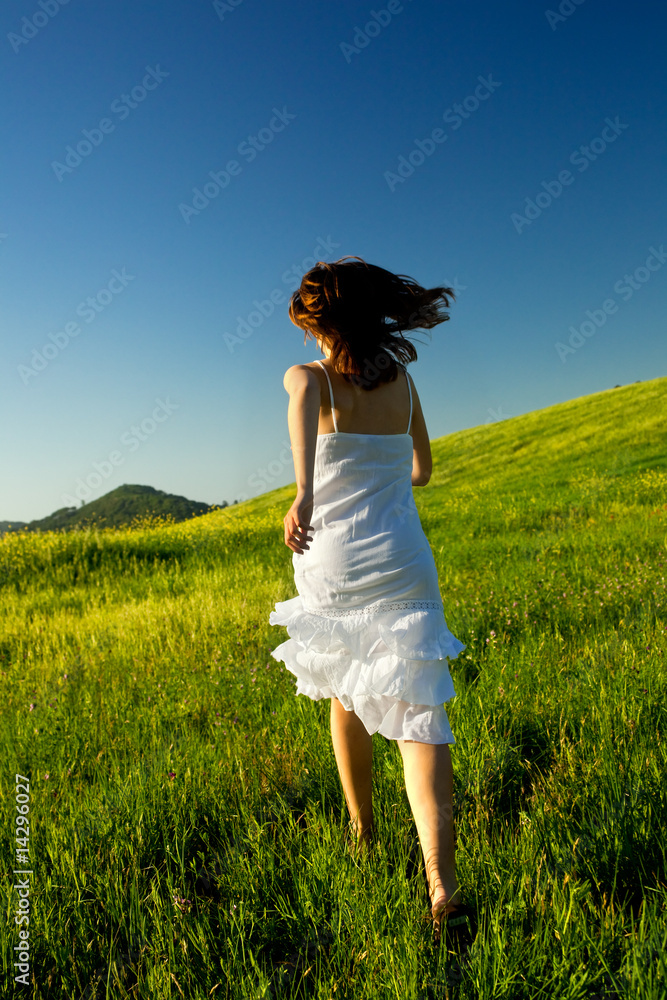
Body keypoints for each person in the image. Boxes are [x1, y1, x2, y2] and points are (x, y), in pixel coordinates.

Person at [268, 256, 476, 949]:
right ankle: (440, 880)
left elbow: (305, 474)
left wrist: (304, 494)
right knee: (421, 713)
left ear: (319, 323)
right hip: (402, 561)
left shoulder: (308, 380)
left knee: (345, 695)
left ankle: (362, 830)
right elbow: (422, 469)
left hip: (331, 561)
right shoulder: (405, 380)